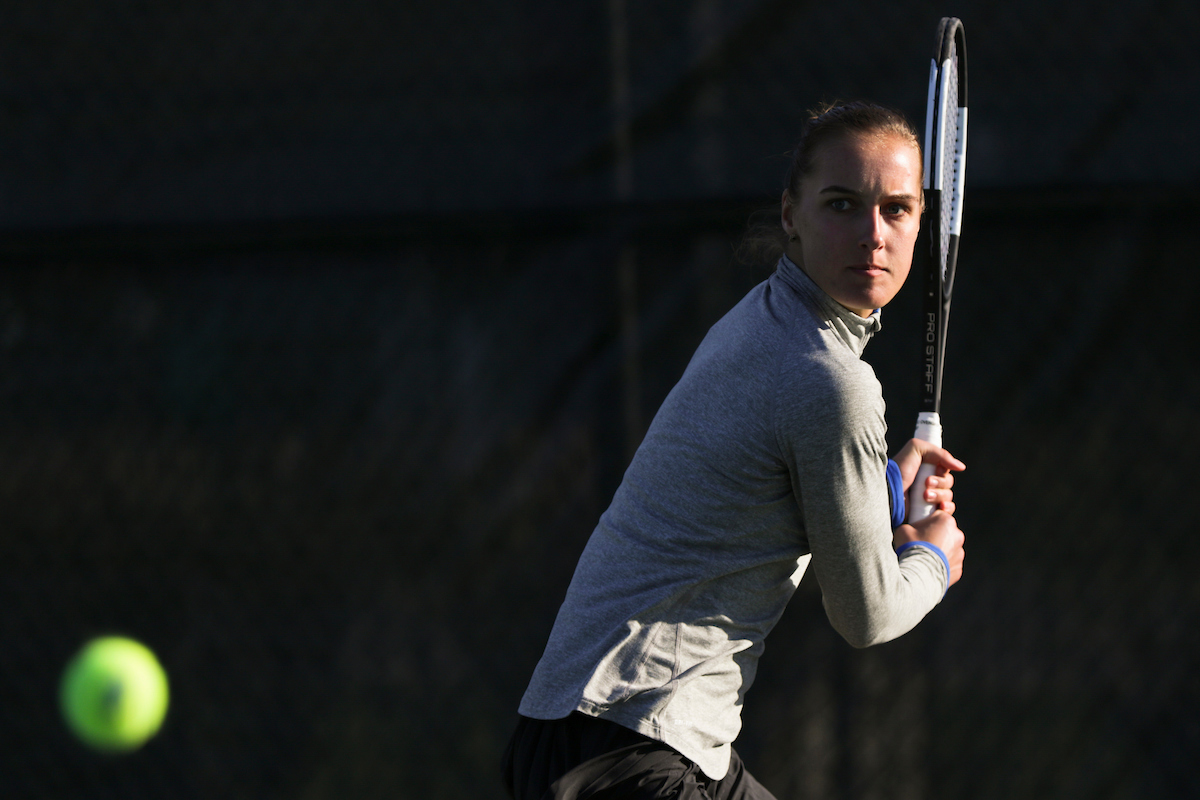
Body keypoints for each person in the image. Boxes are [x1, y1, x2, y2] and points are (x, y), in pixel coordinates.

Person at [502, 100, 967, 800]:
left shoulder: (760, 321)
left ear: (918, 228)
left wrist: (887, 492)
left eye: (896, 209)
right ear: (791, 214)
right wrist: (932, 559)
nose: (873, 233)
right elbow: (867, 613)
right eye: (842, 204)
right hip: (626, 750)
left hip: (604, 734)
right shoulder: (828, 380)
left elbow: (763, 500)